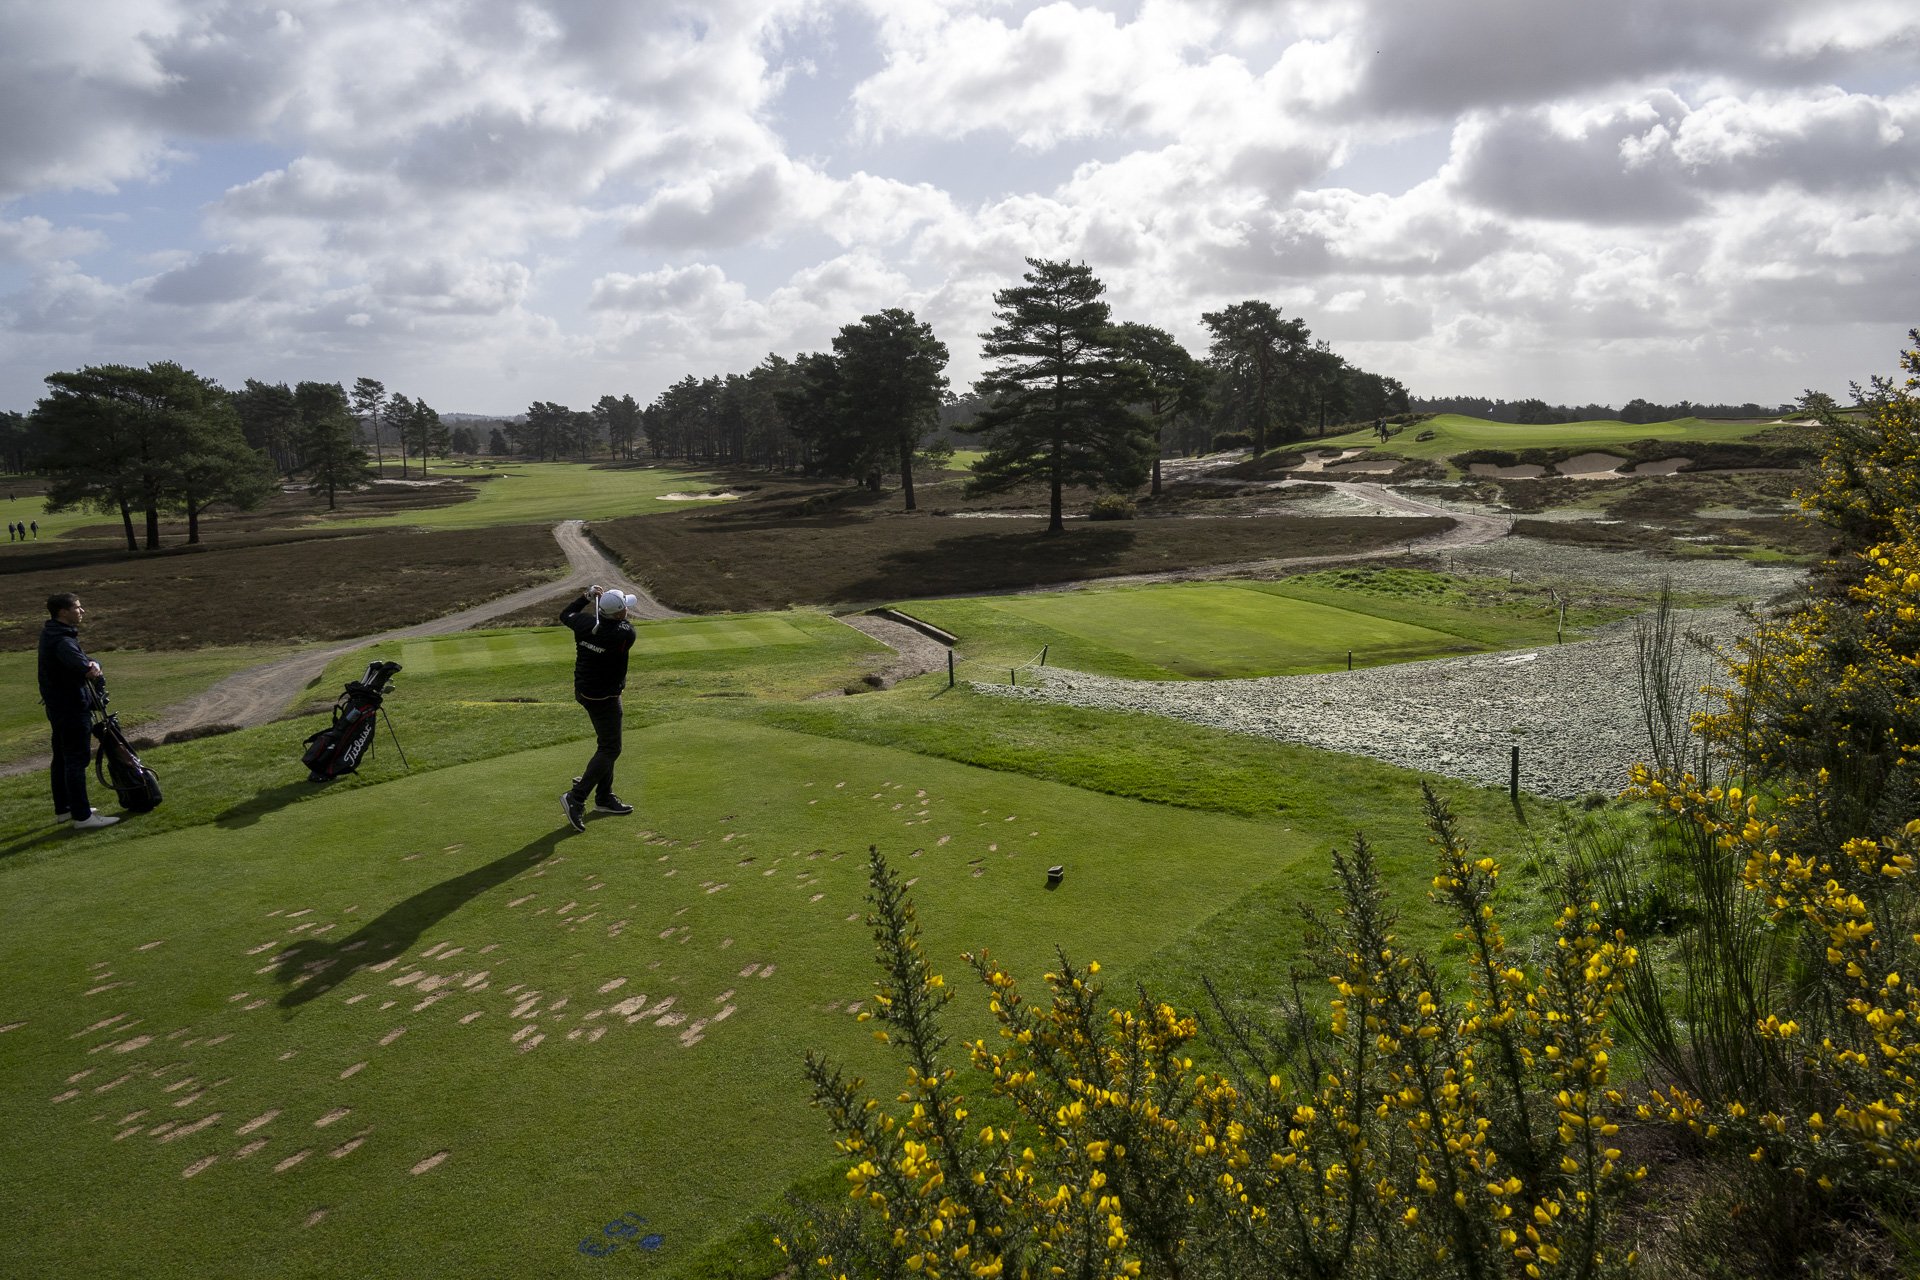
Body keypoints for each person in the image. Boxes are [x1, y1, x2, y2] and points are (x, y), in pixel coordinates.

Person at [558, 584, 637, 832]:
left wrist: (586, 598)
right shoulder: (624, 634)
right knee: (611, 748)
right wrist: (603, 608)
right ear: (618, 614)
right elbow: (625, 627)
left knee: (607, 744)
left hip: (584, 691)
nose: (627, 611)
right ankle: (576, 797)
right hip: (605, 698)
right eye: (625, 608)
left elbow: (565, 615)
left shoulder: (584, 624)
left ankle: (604, 798)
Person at [39, 592, 117, 830]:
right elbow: (87, 669)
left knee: (62, 758)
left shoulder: (54, 634)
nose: (82, 611)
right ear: (63, 612)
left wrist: (93, 662)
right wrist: (95, 666)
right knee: (75, 760)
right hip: (71, 707)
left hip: (58, 706)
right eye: (78, 607)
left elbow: (83, 661)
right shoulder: (63, 641)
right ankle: (82, 817)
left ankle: (65, 809)